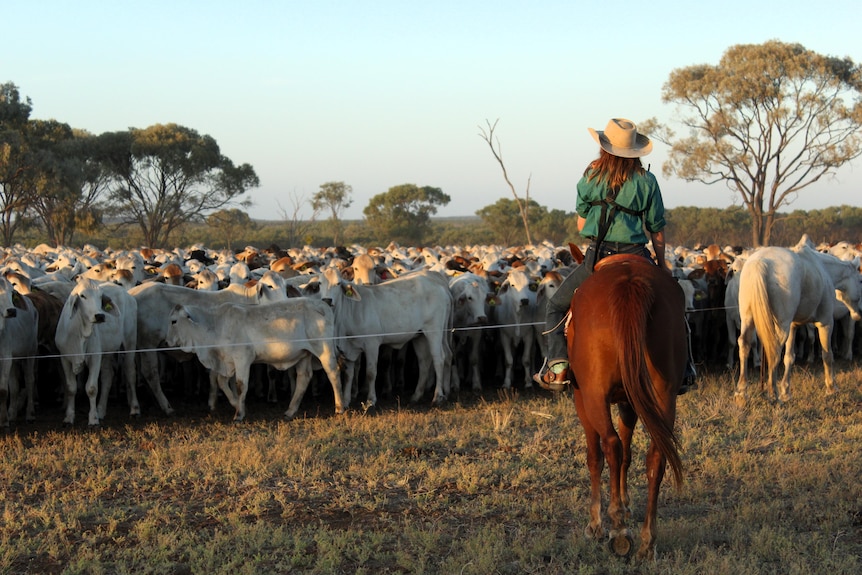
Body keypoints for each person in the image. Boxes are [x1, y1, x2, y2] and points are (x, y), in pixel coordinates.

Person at [532, 117, 698, 394]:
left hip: (598, 257)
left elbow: (582, 225)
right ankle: (684, 370)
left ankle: (558, 368)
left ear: (604, 148)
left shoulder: (590, 177)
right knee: (676, 304)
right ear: (634, 152)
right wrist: (661, 266)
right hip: (637, 255)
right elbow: (657, 230)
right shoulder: (647, 180)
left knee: (555, 307)